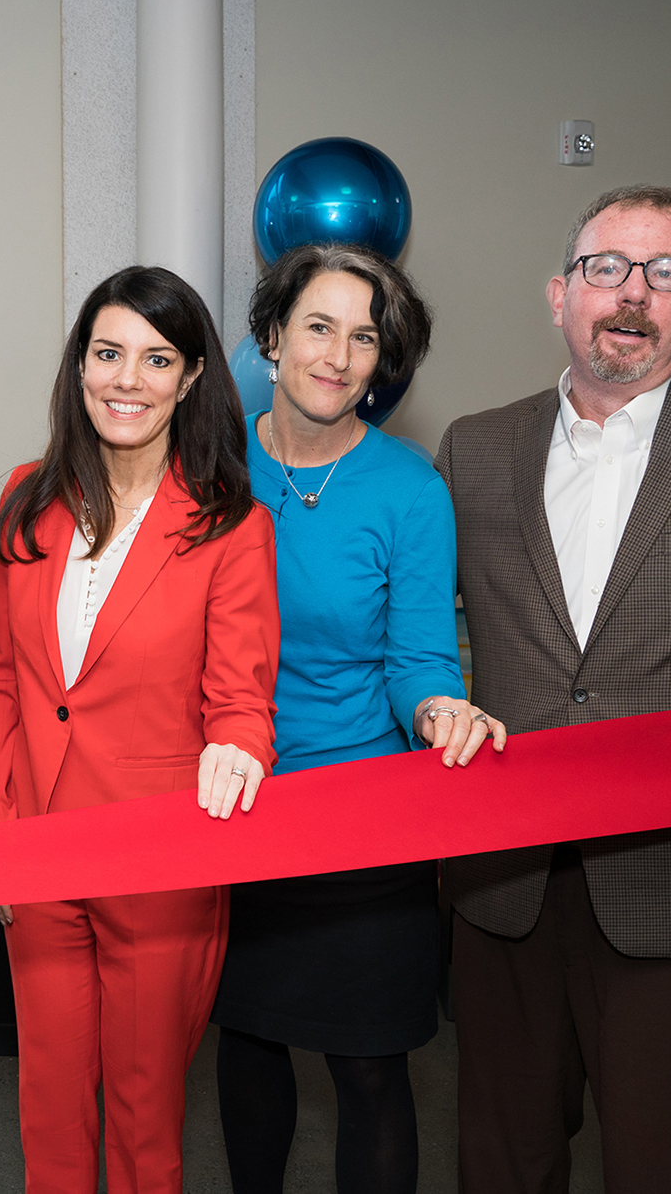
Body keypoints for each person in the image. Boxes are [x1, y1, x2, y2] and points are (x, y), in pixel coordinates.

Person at [436, 184, 671, 1192]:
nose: (632, 293)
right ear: (560, 294)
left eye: (666, 271)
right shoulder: (473, 446)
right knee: (501, 1164)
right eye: (606, 268)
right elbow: (415, 635)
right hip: (506, 888)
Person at [0, 265, 278, 1194]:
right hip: (35, 850)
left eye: (155, 358)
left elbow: (242, 700)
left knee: (145, 1119)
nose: (126, 379)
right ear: (80, 366)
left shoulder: (231, 524)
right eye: (107, 354)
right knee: (49, 1112)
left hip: (158, 861)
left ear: (189, 380)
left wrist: (239, 749)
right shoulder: (24, 494)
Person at [207, 243, 504, 1194]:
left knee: (370, 1069)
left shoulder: (409, 487)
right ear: (270, 337)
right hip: (230, 811)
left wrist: (437, 709)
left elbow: (417, 658)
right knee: (246, 1053)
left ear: (383, 361)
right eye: (317, 327)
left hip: (361, 827)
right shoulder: (206, 464)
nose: (336, 355)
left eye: (363, 337)